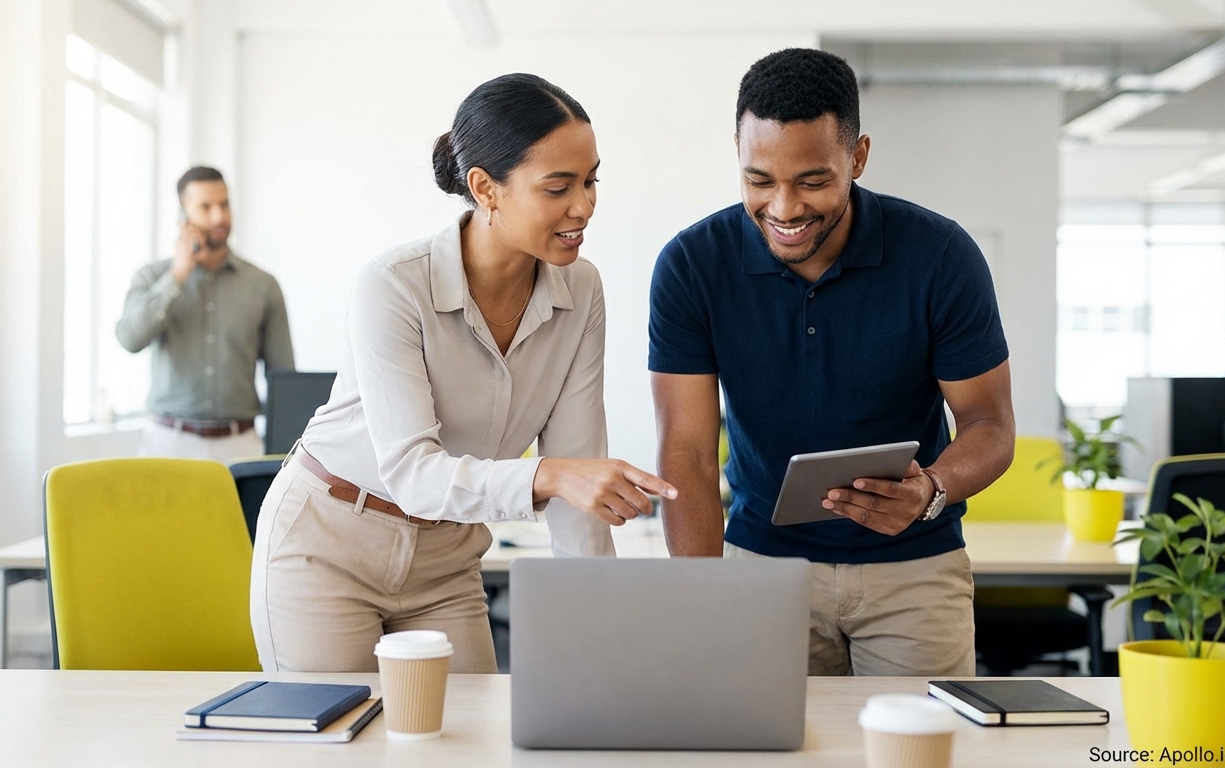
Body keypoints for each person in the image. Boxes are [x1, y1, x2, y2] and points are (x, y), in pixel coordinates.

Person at [250, 74, 677, 674]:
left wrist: (598, 621)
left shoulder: (582, 290)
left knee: (469, 746)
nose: (583, 205)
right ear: (485, 188)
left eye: (591, 180)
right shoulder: (395, 284)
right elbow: (414, 474)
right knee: (344, 744)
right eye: (558, 187)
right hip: (329, 545)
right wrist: (549, 475)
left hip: (446, 562)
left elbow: (578, 471)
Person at [649, 48, 1016, 677]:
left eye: (813, 181)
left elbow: (989, 426)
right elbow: (685, 445)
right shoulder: (692, 264)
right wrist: (699, 595)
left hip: (916, 570)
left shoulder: (940, 255)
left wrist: (931, 490)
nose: (785, 208)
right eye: (759, 180)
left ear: (858, 156)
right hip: (763, 566)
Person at [116, 166, 295, 463]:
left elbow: (283, 378)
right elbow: (129, 338)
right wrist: (177, 275)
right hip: (167, 444)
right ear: (182, 216)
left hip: (241, 446)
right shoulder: (152, 277)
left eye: (224, 204)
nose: (218, 217)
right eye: (205, 207)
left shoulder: (263, 285)